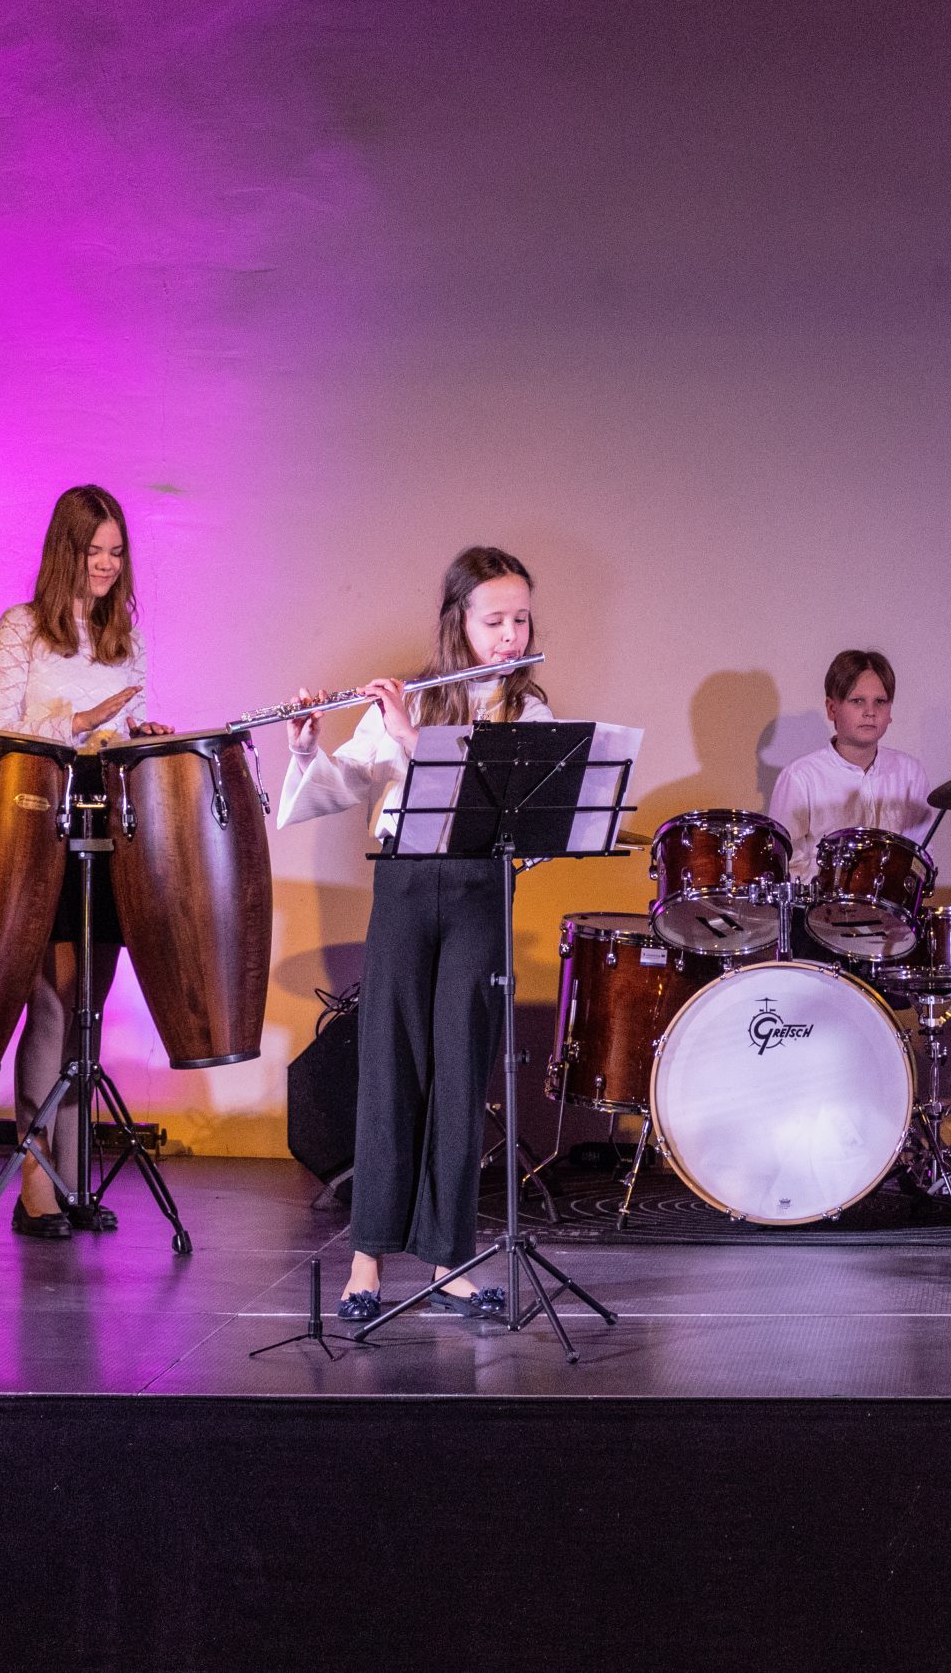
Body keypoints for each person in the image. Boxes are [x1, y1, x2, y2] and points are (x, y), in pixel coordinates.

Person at [278, 546, 550, 1322]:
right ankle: (365, 1261)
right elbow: (340, 785)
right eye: (493, 620)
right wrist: (306, 744)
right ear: (458, 623)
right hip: (404, 884)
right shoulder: (412, 698)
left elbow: (507, 810)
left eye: (520, 619)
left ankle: (448, 1260)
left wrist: (411, 738)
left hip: (477, 890)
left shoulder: (530, 714)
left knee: (461, 1072)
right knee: (389, 1065)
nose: (509, 634)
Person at [0, 484, 169, 1240]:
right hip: (42, 820)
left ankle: (74, 1176)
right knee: (51, 1004)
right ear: (66, 551)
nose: (106, 564)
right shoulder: (22, 628)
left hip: (107, 824)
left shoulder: (126, 637)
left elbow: (122, 731)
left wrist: (140, 736)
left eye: (117, 552)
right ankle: (37, 1182)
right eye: (94, 550)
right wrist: (85, 719)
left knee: (89, 1003)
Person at [768, 650, 951, 1152]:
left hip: (892, 933)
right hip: (825, 929)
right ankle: (842, 1138)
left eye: (880, 702)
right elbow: (782, 865)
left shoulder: (909, 772)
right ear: (832, 708)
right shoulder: (802, 776)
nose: (869, 712)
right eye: (856, 701)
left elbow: (917, 860)